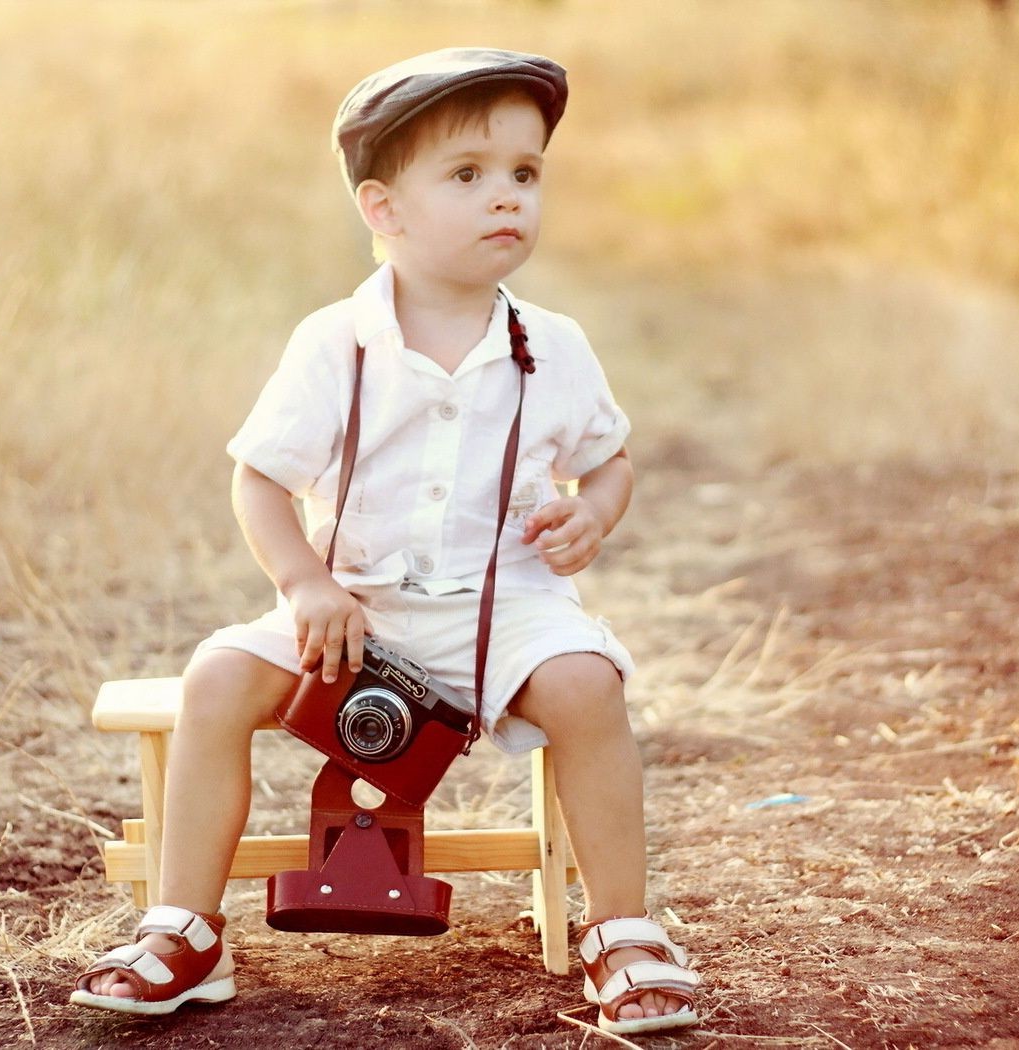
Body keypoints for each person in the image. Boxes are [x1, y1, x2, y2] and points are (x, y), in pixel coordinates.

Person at [70, 47, 700, 1036]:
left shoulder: (555, 345)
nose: (508, 199)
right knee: (216, 676)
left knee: (588, 684)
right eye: (468, 175)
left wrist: (595, 511)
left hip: (506, 609)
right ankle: (183, 926)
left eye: (525, 175)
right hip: (353, 605)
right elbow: (261, 479)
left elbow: (609, 461)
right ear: (382, 209)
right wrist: (304, 582)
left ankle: (621, 929)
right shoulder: (335, 342)